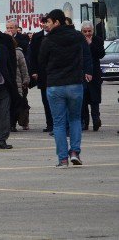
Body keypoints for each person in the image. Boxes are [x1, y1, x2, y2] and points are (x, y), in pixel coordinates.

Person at [39, 9, 88, 168]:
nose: (46, 24)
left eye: (49, 21)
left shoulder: (48, 40)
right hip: (75, 84)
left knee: (59, 123)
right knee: (75, 119)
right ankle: (75, 152)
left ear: (57, 22)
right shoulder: (78, 36)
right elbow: (86, 55)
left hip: (55, 85)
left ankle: (63, 159)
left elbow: (42, 62)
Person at [28, 16, 53, 133]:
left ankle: (57, 123)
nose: (46, 25)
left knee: (55, 99)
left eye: (48, 22)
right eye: (44, 23)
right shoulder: (37, 37)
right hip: (42, 74)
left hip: (55, 73)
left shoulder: (56, 36)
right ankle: (49, 124)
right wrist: (33, 71)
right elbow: (32, 55)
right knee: (46, 100)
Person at [81, 21, 105, 131]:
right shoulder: (79, 41)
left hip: (95, 74)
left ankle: (96, 120)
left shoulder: (98, 40)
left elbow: (101, 54)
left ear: (93, 31)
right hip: (82, 74)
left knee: (95, 99)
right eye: (85, 31)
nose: (87, 33)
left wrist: (91, 44)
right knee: (83, 100)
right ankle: (85, 122)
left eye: (89, 31)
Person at [14, 39, 31, 130]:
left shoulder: (18, 52)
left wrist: (26, 80)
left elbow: (24, 67)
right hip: (11, 83)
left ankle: (24, 122)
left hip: (19, 83)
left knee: (23, 104)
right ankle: (11, 124)